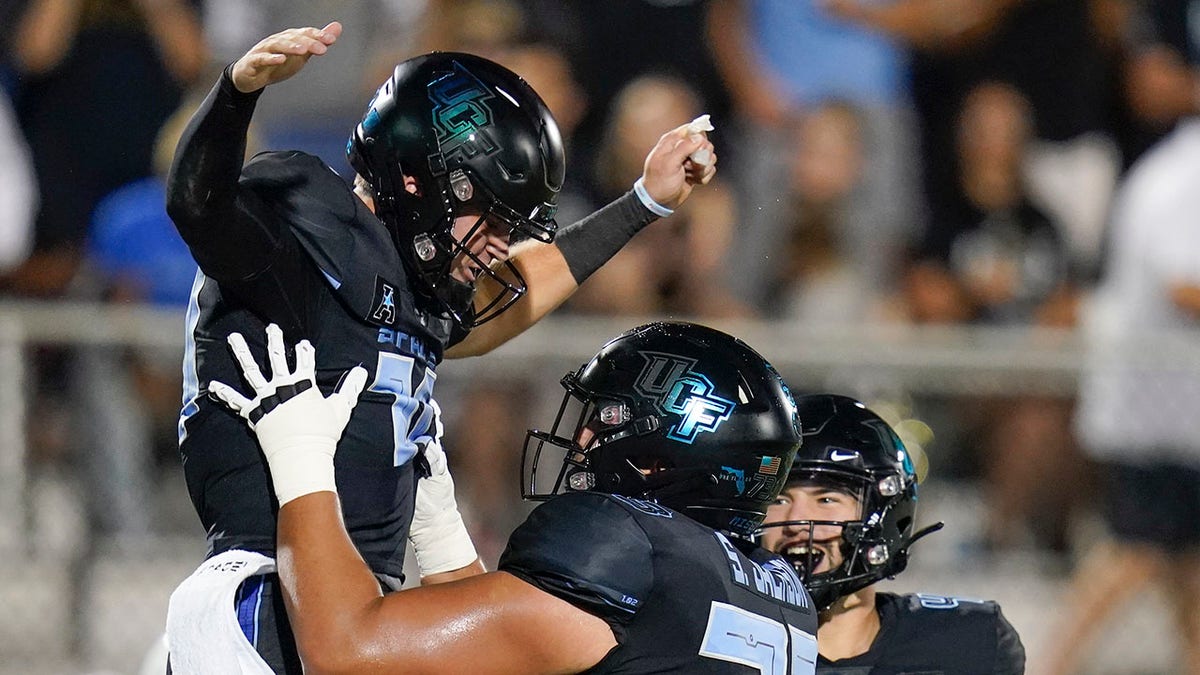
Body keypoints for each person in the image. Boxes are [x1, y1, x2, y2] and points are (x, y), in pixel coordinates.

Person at [163, 20, 717, 673]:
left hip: (346, 599)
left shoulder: (413, 281)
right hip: (264, 593)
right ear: (420, 180)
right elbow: (199, 206)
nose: (497, 243)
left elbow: (511, 298)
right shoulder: (312, 228)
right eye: (491, 216)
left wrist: (643, 201)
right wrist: (236, 91)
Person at [199, 320, 817, 674]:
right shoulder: (779, 592)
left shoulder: (626, 545)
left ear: (661, 453)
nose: (581, 438)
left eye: (605, 420)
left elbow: (348, 653)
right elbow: (502, 653)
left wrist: (301, 459)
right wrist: (440, 531)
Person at [757, 394, 1026, 672]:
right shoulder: (721, 641)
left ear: (882, 515)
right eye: (779, 500)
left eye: (826, 500)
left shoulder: (966, 645)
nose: (796, 521)